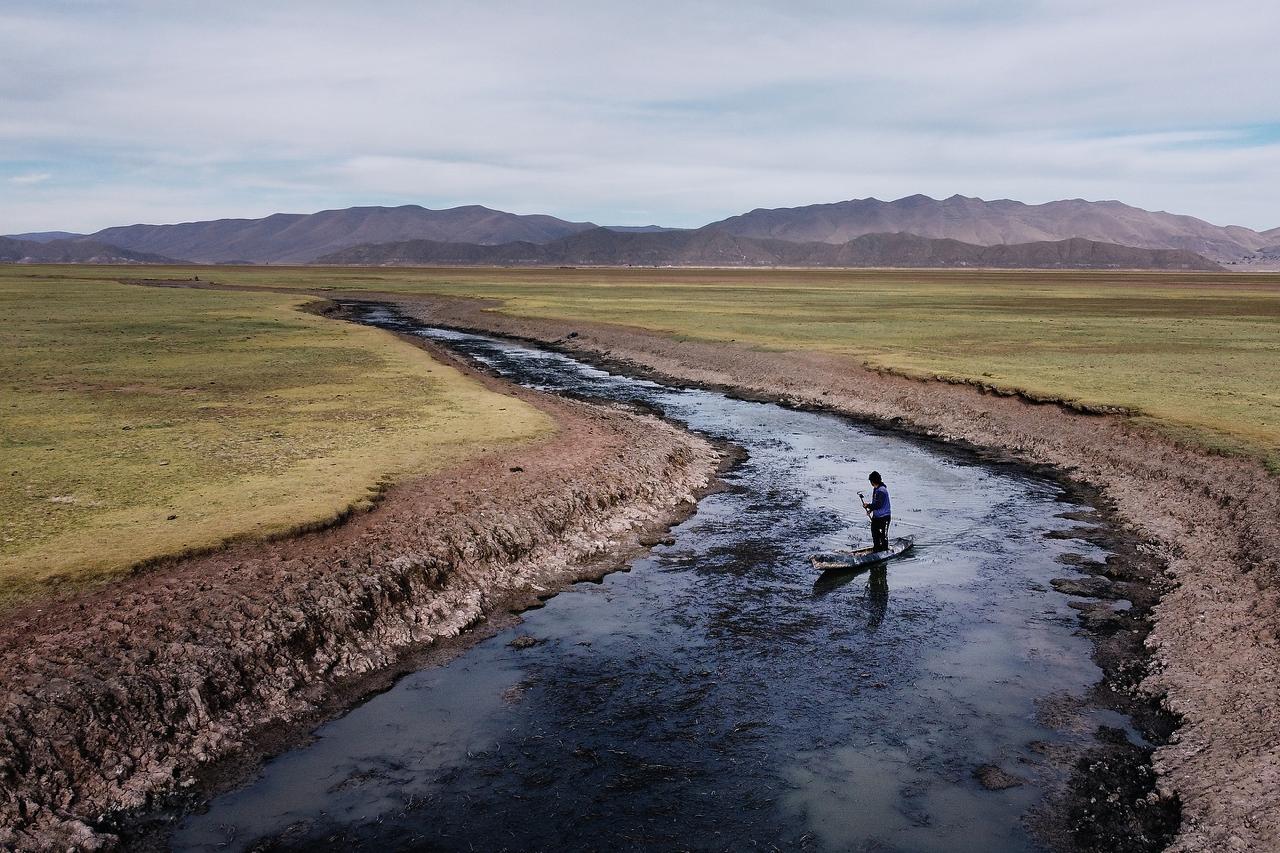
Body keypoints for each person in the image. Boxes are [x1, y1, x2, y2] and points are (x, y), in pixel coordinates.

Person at [861, 471, 892, 552]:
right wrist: (870, 510)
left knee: (883, 536)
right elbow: (875, 503)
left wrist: (868, 506)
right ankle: (877, 550)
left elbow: (878, 505)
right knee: (875, 534)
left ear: (872, 481)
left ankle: (885, 551)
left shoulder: (881, 491)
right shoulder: (876, 489)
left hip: (884, 517)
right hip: (876, 517)